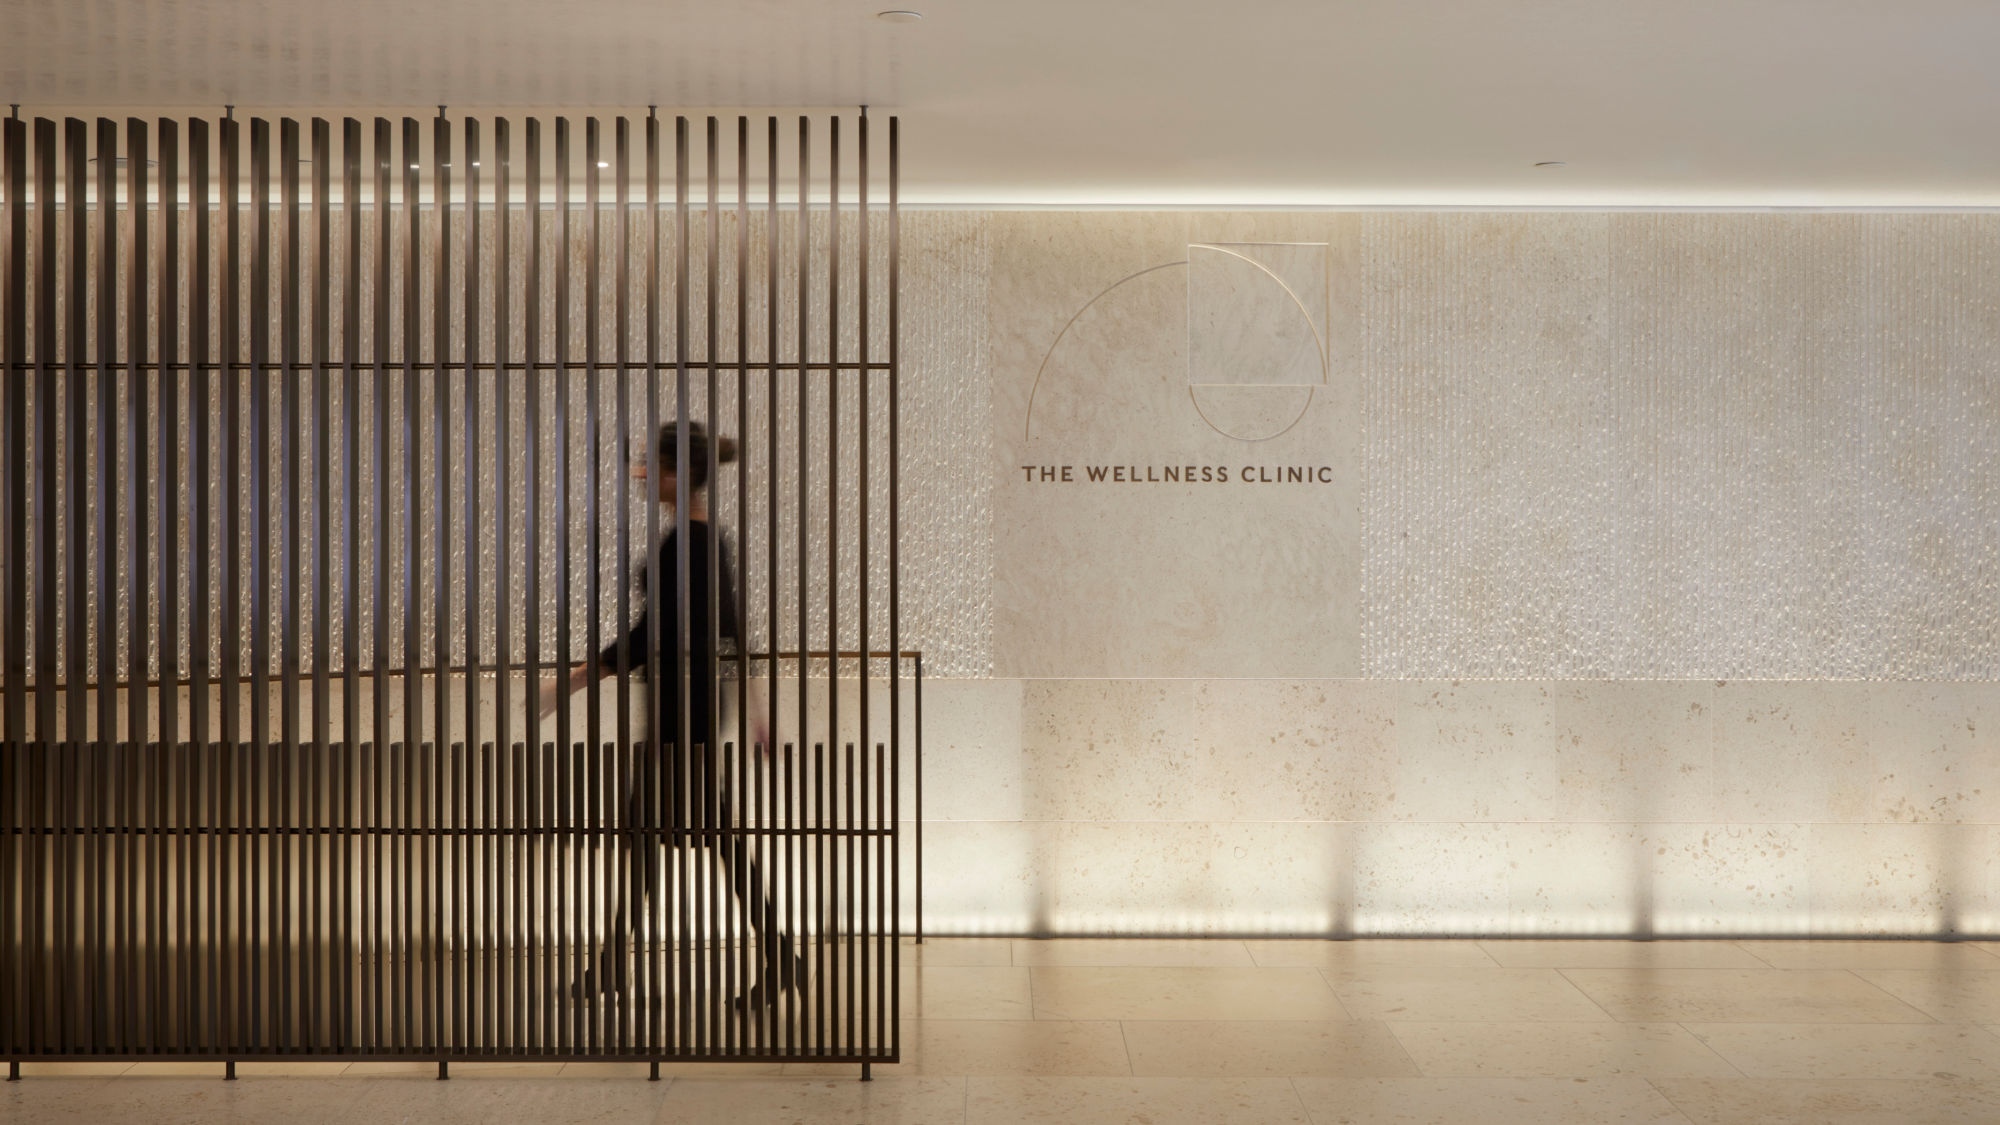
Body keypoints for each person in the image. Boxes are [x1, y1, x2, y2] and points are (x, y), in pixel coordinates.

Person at [539, 419, 802, 1010]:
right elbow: (732, 632)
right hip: (699, 707)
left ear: (677, 474)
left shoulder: (684, 546)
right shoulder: (709, 542)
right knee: (666, 833)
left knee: (674, 834)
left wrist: (578, 679)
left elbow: (653, 634)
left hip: (681, 712)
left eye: (649, 465)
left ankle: (774, 955)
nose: (640, 475)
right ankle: (769, 957)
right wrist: (756, 711)